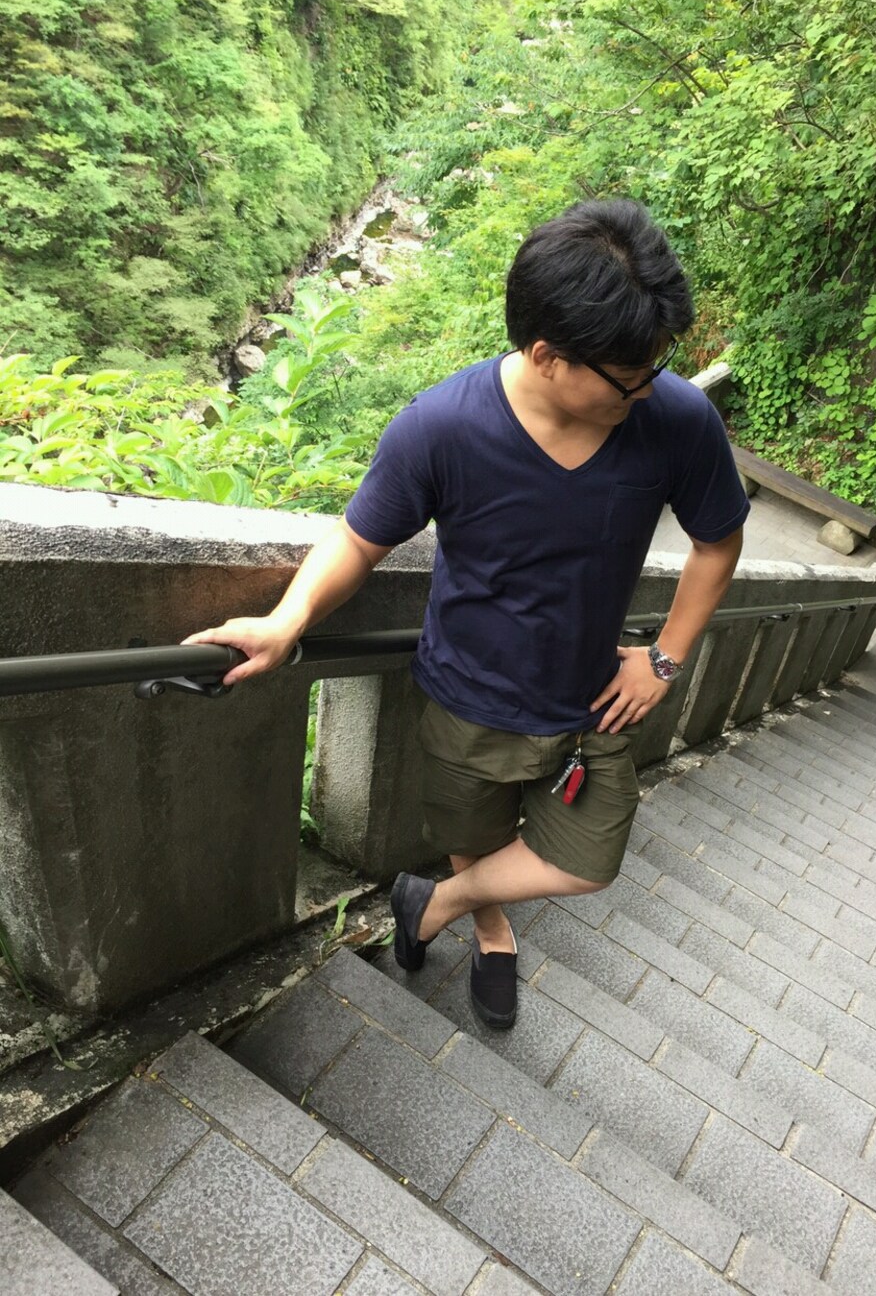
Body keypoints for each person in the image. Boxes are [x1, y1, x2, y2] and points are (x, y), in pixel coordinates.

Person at [183, 198, 749, 1029]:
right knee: (474, 838)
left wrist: (665, 657)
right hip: (468, 698)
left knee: (588, 861)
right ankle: (488, 927)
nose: (645, 389)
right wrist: (286, 619)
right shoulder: (442, 427)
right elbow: (359, 539)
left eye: (653, 369)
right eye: (629, 377)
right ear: (548, 356)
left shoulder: (673, 420)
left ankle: (435, 902)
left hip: (592, 698)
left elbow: (718, 543)